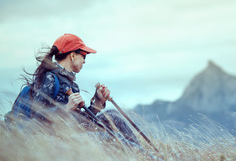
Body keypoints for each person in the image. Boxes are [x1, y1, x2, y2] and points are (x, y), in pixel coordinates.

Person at [6, 33, 139, 145]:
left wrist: (98, 101)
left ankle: (144, 155)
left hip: (69, 134)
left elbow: (82, 121)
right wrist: (65, 108)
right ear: (72, 55)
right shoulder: (49, 79)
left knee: (113, 115)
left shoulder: (72, 85)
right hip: (53, 141)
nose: (85, 61)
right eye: (84, 56)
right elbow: (37, 118)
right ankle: (144, 156)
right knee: (110, 138)